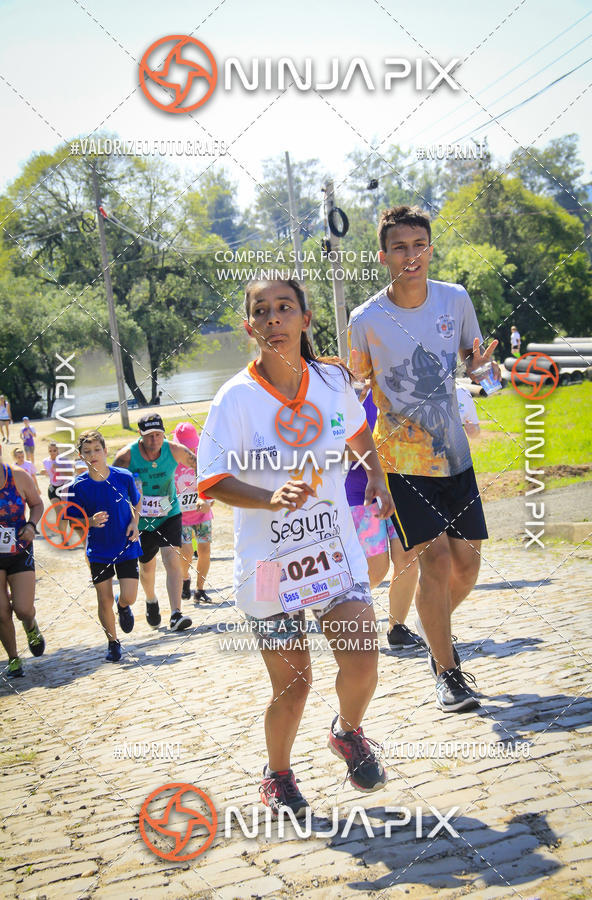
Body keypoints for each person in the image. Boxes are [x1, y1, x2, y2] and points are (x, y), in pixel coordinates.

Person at [197, 277, 394, 817]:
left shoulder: (331, 381)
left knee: (363, 660)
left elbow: (358, 433)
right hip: (268, 568)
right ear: (250, 326)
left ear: (305, 319)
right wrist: (268, 497)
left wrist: (376, 477)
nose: (273, 318)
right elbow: (211, 479)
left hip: (333, 553)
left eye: (284, 307)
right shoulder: (234, 398)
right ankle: (277, 775)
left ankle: (347, 733)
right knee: (294, 683)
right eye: (261, 310)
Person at [348, 204, 500, 713]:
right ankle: (448, 672)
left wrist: (484, 369)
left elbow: (477, 364)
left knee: (467, 566)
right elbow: (354, 390)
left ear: (430, 249)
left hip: (453, 456)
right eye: (399, 248)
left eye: (419, 245)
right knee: (433, 561)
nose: (410, 256)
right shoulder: (365, 320)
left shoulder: (455, 299)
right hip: (401, 461)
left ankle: (434, 631)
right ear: (383, 256)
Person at [345, 386, 422, 651]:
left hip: (403, 488)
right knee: (376, 569)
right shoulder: (353, 395)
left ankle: (397, 628)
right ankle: (344, 615)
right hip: (362, 491)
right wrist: (375, 451)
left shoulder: (408, 393)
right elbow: (339, 448)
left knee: (408, 557)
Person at [114, 414, 197, 633]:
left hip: (169, 513)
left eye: (158, 435)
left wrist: (205, 495)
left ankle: (176, 614)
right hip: (140, 521)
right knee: (147, 568)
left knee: (172, 559)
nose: (154, 440)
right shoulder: (126, 456)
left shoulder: (175, 450)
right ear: (140, 436)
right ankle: (151, 600)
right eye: (149, 436)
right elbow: (111, 485)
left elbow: (200, 466)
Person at [67, 431, 141, 662]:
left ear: (105, 451)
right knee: (103, 598)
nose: (93, 455)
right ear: (81, 456)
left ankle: (123, 606)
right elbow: (72, 521)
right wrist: (89, 521)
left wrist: (135, 522)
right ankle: (113, 642)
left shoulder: (123, 477)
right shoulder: (78, 486)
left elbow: (137, 501)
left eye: (97, 450)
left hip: (126, 545)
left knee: (130, 596)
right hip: (99, 550)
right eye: (87, 452)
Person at [0, 445, 45, 677]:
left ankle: (30, 625)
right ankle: (13, 658)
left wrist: (31, 525)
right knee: (1, 612)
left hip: (19, 550)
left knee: (23, 609)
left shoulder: (17, 476)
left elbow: (37, 504)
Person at [173, 422, 214, 605]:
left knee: (205, 550)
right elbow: (163, 491)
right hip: (180, 518)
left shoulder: (202, 458)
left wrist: (209, 501)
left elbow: (213, 484)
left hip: (202, 514)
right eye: (185, 446)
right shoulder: (170, 462)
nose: (190, 450)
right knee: (187, 552)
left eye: (192, 446)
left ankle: (200, 589)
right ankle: (185, 578)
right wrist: (168, 507)